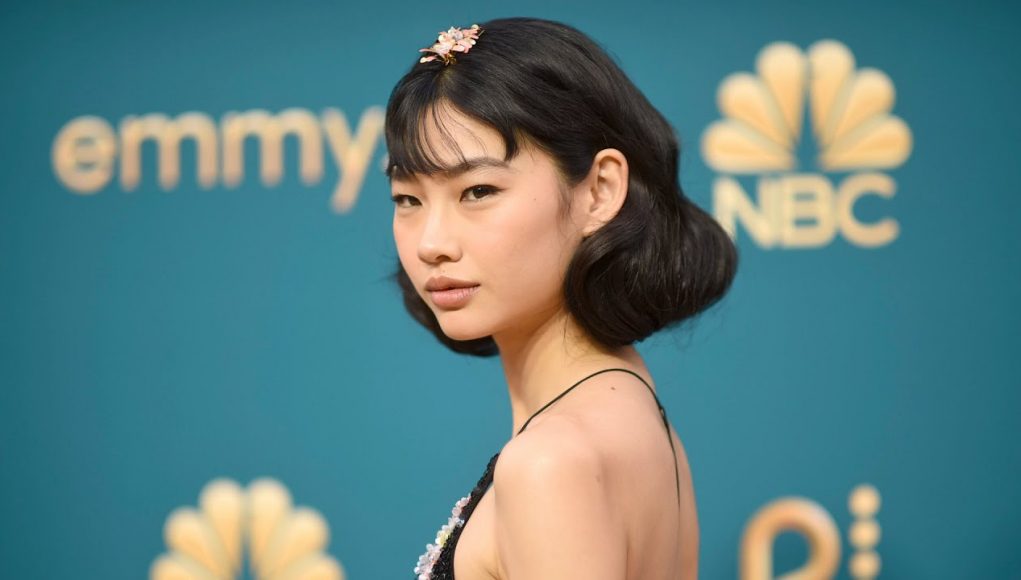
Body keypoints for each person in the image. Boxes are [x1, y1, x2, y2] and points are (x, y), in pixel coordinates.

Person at [385, 17, 738, 580]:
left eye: (478, 191)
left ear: (600, 190)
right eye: (407, 199)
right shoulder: (635, 411)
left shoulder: (550, 463)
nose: (431, 243)